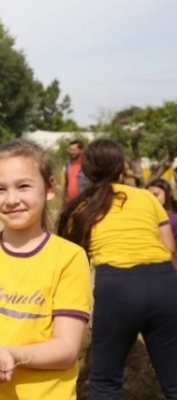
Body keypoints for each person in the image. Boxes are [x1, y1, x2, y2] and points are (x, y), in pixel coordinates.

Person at [0, 139, 92, 399]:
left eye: (23, 186)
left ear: (49, 188)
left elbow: (67, 349)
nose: (12, 199)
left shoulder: (69, 258)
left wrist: (12, 355)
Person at [57, 138, 177, 400]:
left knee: (105, 382)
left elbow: (71, 260)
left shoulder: (80, 208)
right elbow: (169, 247)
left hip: (117, 287)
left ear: (86, 171)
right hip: (164, 282)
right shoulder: (146, 197)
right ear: (122, 167)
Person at [147, 178, 177, 244]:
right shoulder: (145, 218)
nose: (152, 199)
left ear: (168, 193)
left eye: (156, 195)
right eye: (149, 196)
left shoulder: (174, 219)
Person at [63, 139, 89, 204]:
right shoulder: (68, 164)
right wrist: (64, 199)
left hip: (83, 202)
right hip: (69, 202)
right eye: (70, 150)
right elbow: (67, 183)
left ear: (81, 150)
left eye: (74, 150)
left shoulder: (88, 165)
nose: (71, 152)